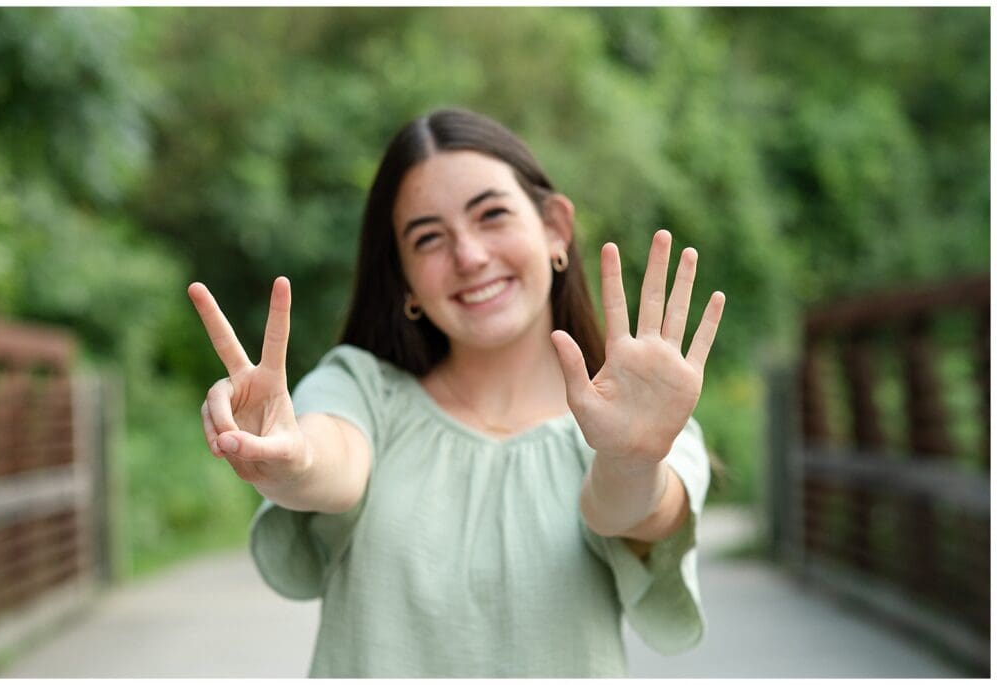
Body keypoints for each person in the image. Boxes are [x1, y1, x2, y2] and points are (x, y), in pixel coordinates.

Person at [187, 108, 726, 677]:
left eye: (491, 215)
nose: (468, 257)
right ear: (406, 280)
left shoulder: (642, 422)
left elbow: (628, 509)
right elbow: (333, 459)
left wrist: (629, 458)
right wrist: (291, 458)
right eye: (428, 239)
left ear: (555, 228)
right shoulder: (364, 390)